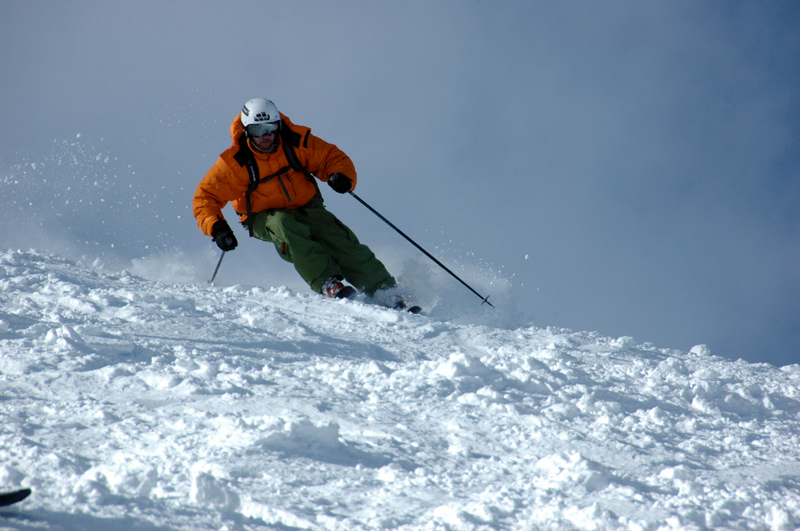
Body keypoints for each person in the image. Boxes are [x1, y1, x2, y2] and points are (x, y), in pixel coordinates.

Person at [193, 98, 407, 307]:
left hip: (307, 206)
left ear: (278, 126)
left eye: (270, 128)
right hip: (262, 216)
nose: (266, 136)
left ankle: (384, 290)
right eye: (258, 130)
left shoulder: (295, 142)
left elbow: (331, 157)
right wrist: (217, 227)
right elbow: (205, 197)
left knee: (338, 238)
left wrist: (340, 175)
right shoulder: (236, 163)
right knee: (284, 225)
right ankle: (327, 281)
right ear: (247, 131)